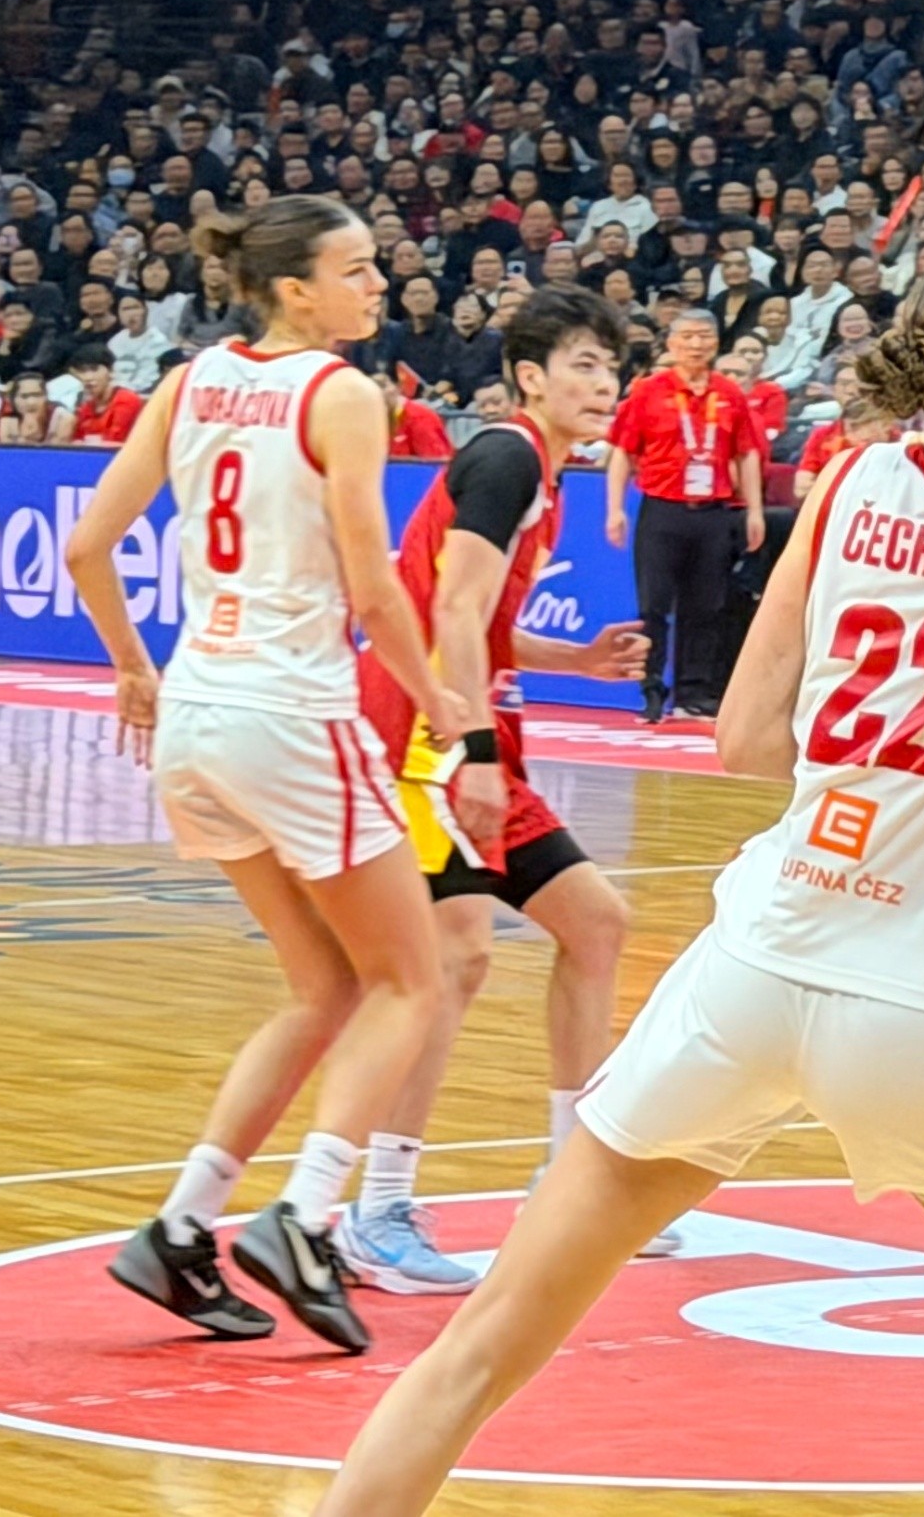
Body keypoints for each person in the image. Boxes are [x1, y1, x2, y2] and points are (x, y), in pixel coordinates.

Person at [313, 261, 924, 1517]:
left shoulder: (845, 479)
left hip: (757, 956)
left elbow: (744, 737)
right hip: (923, 996)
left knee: (490, 1336)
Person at [61, 196, 473, 1356]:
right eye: (358, 268)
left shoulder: (189, 380)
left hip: (196, 713)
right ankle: (306, 1215)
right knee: (414, 977)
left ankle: (181, 1227)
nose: (378, 284)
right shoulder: (341, 393)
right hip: (290, 712)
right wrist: (439, 697)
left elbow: (88, 545)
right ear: (298, 287)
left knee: (322, 987)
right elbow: (372, 583)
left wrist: (134, 670)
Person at [338, 286, 663, 1295]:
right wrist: (472, 749)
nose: (604, 385)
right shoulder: (508, 458)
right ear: (530, 376)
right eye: (582, 365)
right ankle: (378, 1209)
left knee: (596, 923)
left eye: (612, 369)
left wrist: (575, 658)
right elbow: (452, 609)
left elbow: (475, 620)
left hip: (467, 731)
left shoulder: (540, 475)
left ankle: (572, 1176)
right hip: (427, 732)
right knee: (456, 956)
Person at [603, 306, 766, 721]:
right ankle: (651, 691)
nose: (696, 345)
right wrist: (614, 509)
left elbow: (746, 453)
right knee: (654, 605)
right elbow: (622, 451)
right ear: (672, 344)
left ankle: (695, 693)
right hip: (662, 510)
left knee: (706, 606)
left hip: (713, 512)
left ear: (716, 344)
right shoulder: (647, 391)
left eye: (704, 337)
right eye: (687, 337)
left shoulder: (729, 393)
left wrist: (754, 510)